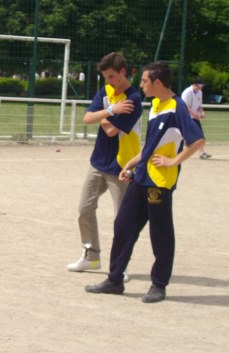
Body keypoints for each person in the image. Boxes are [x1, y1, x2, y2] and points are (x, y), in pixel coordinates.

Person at [85, 61, 205, 303]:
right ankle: (115, 280)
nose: (140, 85)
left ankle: (159, 285)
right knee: (123, 226)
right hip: (141, 176)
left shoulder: (177, 107)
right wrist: (131, 164)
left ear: (157, 83)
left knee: (160, 234)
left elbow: (198, 140)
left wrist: (174, 161)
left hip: (159, 182)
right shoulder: (156, 105)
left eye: (144, 81)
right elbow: (150, 147)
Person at [67, 52, 143, 274]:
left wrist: (100, 114)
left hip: (122, 165)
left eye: (111, 76)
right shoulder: (106, 92)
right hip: (98, 162)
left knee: (122, 218)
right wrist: (110, 110)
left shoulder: (133, 100)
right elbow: (86, 119)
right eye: (105, 77)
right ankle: (91, 256)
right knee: (84, 208)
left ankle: (120, 266)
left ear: (123, 72)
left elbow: (110, 130)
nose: (108, 81)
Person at [181, 77, 212, 159]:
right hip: (185, 117)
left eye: (202, 86)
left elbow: (199, 105)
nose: (201, 87)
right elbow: (185, 106)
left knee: (200, 135)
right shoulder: (187, 92)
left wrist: (202, 112)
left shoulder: (199, 92)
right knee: (181, 136)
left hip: (194, 118)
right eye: (200, 86)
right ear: (194, 84)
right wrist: (195, 115)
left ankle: (202, 153)